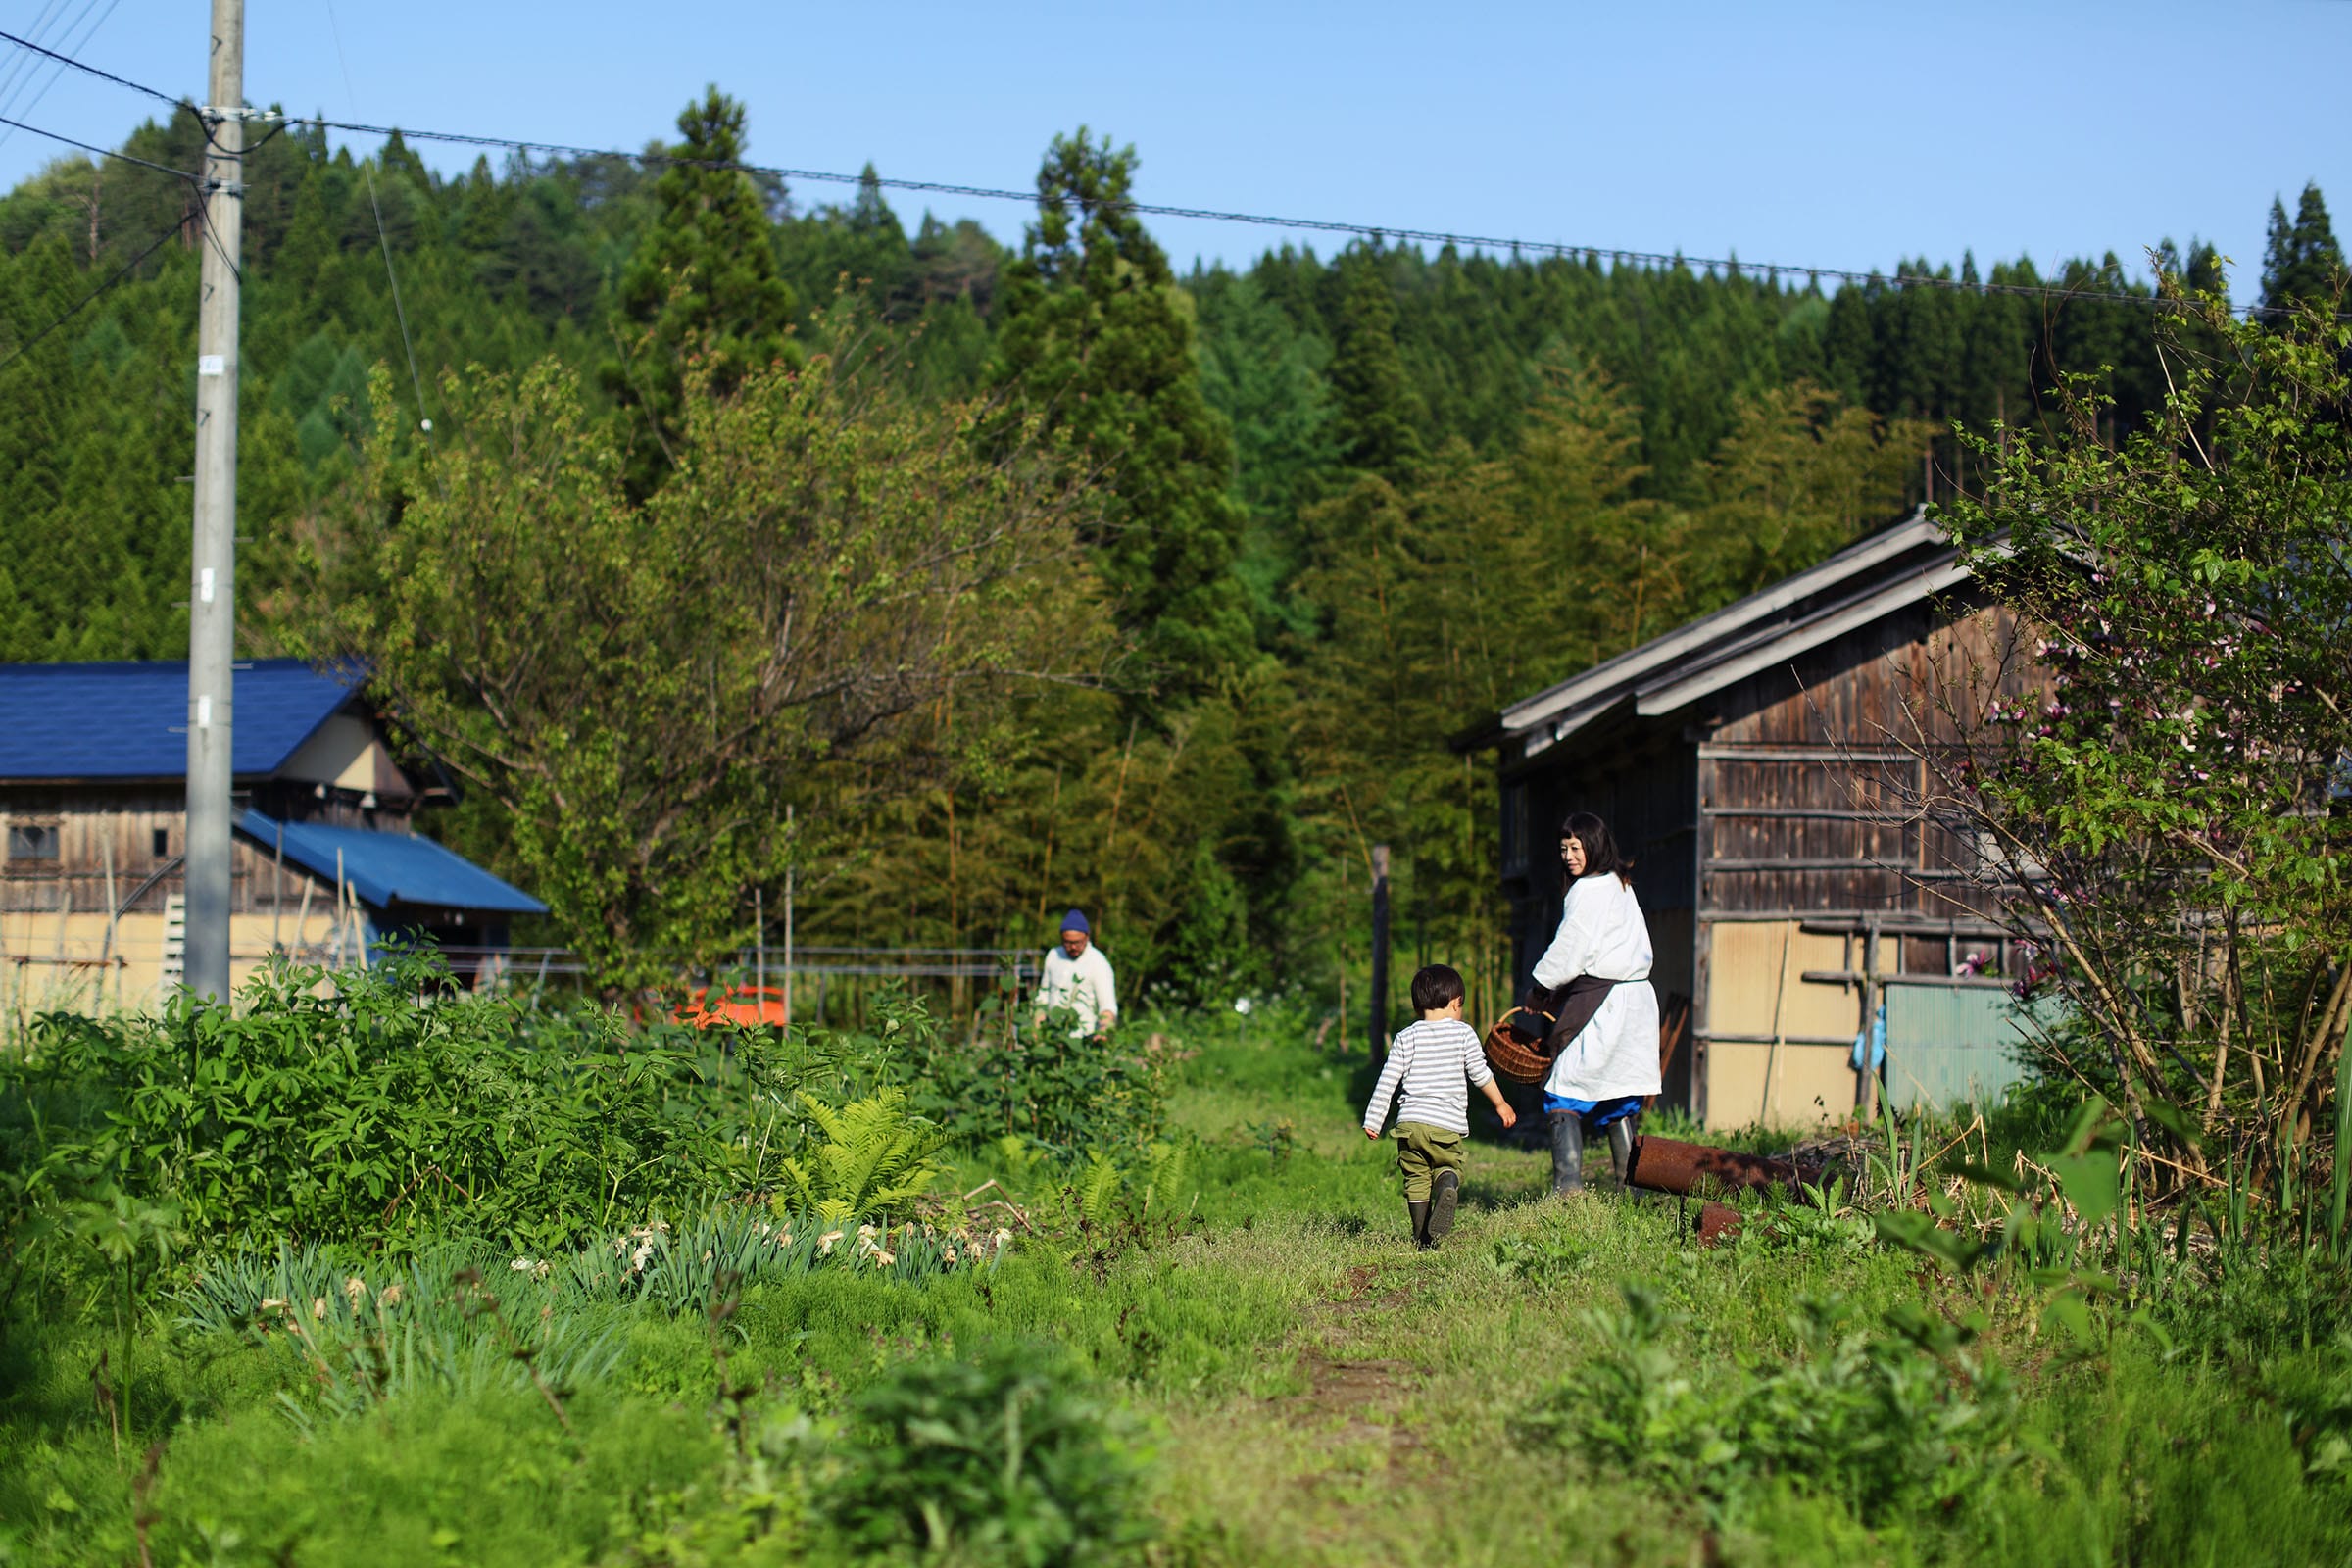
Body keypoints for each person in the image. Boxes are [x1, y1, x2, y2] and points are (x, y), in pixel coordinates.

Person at [1529, 811, 1661, 1196]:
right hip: (1633, 1002)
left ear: (1594, 845)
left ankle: (1568, 1188)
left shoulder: (1588, 890)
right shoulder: (1621, 884)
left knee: (1562, 1087)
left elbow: (1571, 948)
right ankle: (1631, 1188)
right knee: (1617, 1092)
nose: (1569, 855)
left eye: (1576, 847)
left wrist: (1539, 988)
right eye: (1563, 848)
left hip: (1604, 1003)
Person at [1362, 963, 1518, 1249]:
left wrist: (1374, 1120)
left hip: (1409, 1125)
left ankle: (1422, 1239)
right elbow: (1480, 1073)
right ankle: (1447, 1184)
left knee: (1416, 1178)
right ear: (1455, 1003)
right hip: (1444, 1123)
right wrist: (1501, 1103)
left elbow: (1388, 1080)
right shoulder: (1463, 1034)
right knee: (1448, 1165)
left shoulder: (1406, 1037)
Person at [1035, 908, 1117, 1037]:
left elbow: (1107, 1006)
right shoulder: (1053, 956)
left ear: (1087, 936)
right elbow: (1044, 994)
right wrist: (1037, 1026)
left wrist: (1103, 1031)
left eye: (1078, 942)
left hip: (1083, 1038)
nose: (1073, 947)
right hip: (1053, 1035)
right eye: (1067, 943)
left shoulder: (1098, 963)